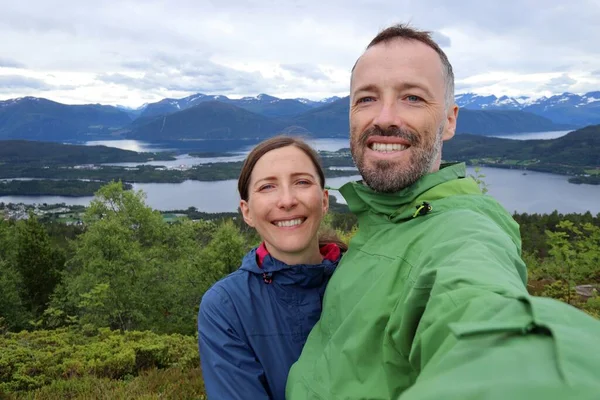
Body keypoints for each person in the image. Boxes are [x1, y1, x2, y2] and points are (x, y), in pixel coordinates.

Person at [286, 24, 600, 399]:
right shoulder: (380, 221)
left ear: (449, 121)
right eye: (366, 99)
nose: (384, 117)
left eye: (413, 98)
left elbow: (480, 314)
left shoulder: (461, 232)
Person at [197, 136, 345, 400]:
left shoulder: (367, 278)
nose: (287, 200)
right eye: (267, 187)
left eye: (301, 182)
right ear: (247, 212)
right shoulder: (227, 307)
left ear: (324, 200)